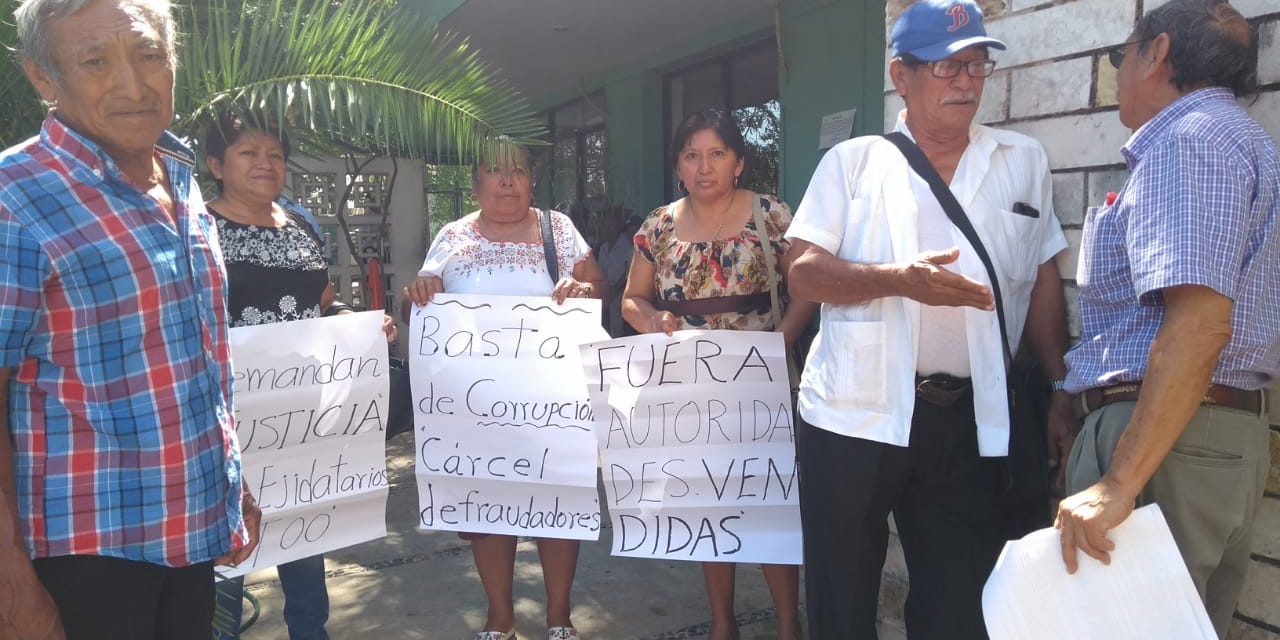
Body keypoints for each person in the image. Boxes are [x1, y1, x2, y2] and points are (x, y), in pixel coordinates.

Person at [783, 0, 1073, 637]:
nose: (967, 81)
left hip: (968, 417)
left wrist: (1059, 386)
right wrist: (897, 282)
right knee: (842, 591)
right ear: (901, 75)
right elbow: (802, 273)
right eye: (948, 68)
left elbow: (1043, 274)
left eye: (977, 66)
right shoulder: (854, 163)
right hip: (854, 415)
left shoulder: (1021, 160)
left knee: (959, 601)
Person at [0, 1, 262, 638]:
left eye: (149, 55)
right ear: (44, 78)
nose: (133, 85)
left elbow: (187, 354)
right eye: (95, 62)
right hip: (83, 558)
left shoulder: (180, 181)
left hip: (188, 536)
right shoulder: (16, 196)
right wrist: (11, 589)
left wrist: (232, 488)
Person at [1056, 1, 1279, 636]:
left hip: (1166, 445)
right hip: (1205, 436)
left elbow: (1200, 324)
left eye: (1121, 55)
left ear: (1156, 54)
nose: (1118, 73)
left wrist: (1119, 480)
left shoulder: (1187, 142)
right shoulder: (1241, 142)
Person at [621, 108, 817, 640]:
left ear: (738, 163)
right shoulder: (657, 227)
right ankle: (722, 624)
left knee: (768, 502)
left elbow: (807, 289)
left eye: (716, 154)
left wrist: (782, 343)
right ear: (678, 167)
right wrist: (655, 320)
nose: (704, 166)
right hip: (689, 390)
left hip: (761, 384)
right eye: (692, 155)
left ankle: (785, 624)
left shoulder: (772, 215)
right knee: (712, 505)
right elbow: (630, 302)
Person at [203, 113, 398, 639]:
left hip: (299, 423)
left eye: (275, 154)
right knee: (222, 567)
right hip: (223, 424)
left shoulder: (302, 227)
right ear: (216, 164)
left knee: (304, 556)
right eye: (249, 153)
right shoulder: (197, 229)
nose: (265, 164)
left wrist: (360, 326)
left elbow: (323, 304)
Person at [401, 143, 607, 640]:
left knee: (559, 504)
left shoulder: (559, 229)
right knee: (488, 507)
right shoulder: (451, 238)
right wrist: (421, 292)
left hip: (554, 405)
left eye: (517, 171)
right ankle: (501, 618)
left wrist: (583, 291)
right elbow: (420, 312)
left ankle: (559, 618)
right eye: (494, 172)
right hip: (478, 410)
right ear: (475, 186)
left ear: (532, 180)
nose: (508, 181)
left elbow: (599, 287)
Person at [597, 210, 641, 337]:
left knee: (618, 307)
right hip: (607, 289)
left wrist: (615, 290)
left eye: (610, 226)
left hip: (622, 289)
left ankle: (618, 339)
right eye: (605, 226)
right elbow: (600, 273)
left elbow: (628, 273)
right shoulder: (603, 248)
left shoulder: (626, 246)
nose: (607, 229)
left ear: (617, 228)